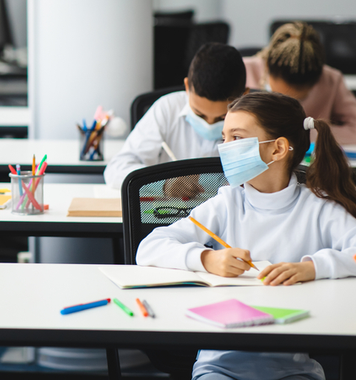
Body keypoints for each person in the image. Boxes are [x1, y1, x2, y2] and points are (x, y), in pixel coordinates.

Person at [137, 92, 356, 380]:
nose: (224, 148)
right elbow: (149, 248)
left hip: (292, 367)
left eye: (237, 138)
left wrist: (312, 268)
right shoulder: (226, 203)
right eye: (224, 138)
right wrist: (206, 258)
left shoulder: (318, 207)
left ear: (278, 149)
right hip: (218, 365)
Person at [105, 43, 247, 192]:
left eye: (222, 118)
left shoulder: (258, 123)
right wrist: (163, 183)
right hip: (169, 212)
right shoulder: (167, 109)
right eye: (199, 114)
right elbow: (116, 168)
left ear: (244, 96)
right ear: (187, 87)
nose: (209, 124)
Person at [244, 21, 356, 145]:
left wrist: (309, 132)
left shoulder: (331, 79)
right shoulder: (242, 71)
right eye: (280, 96)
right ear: (268, 67)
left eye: (299, 99)